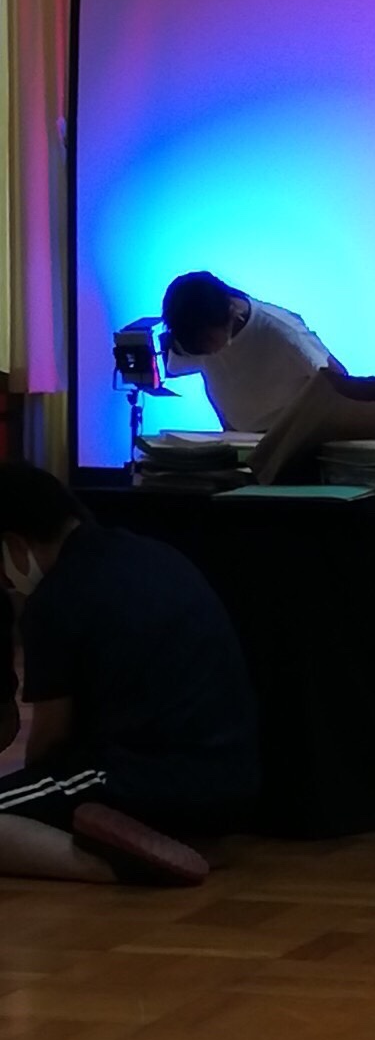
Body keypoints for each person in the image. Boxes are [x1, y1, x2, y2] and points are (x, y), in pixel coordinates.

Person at [0, 462, 260, 884]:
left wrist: (34, 797)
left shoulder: (56, 598)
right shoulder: (153, 554)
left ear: (13, 543)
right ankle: (175, 842)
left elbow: (48, 744)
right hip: (234, 783)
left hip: (143, 781)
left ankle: (120, 863)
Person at [162, 271, 345, 432]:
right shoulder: (194, 340)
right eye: (198, 349)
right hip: (239, 437)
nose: (207, 351)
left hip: (289, 435)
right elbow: (185, 367)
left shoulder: (282, 330)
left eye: (208, 340)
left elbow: (338, 380)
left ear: (230, 311)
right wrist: (227, 425)